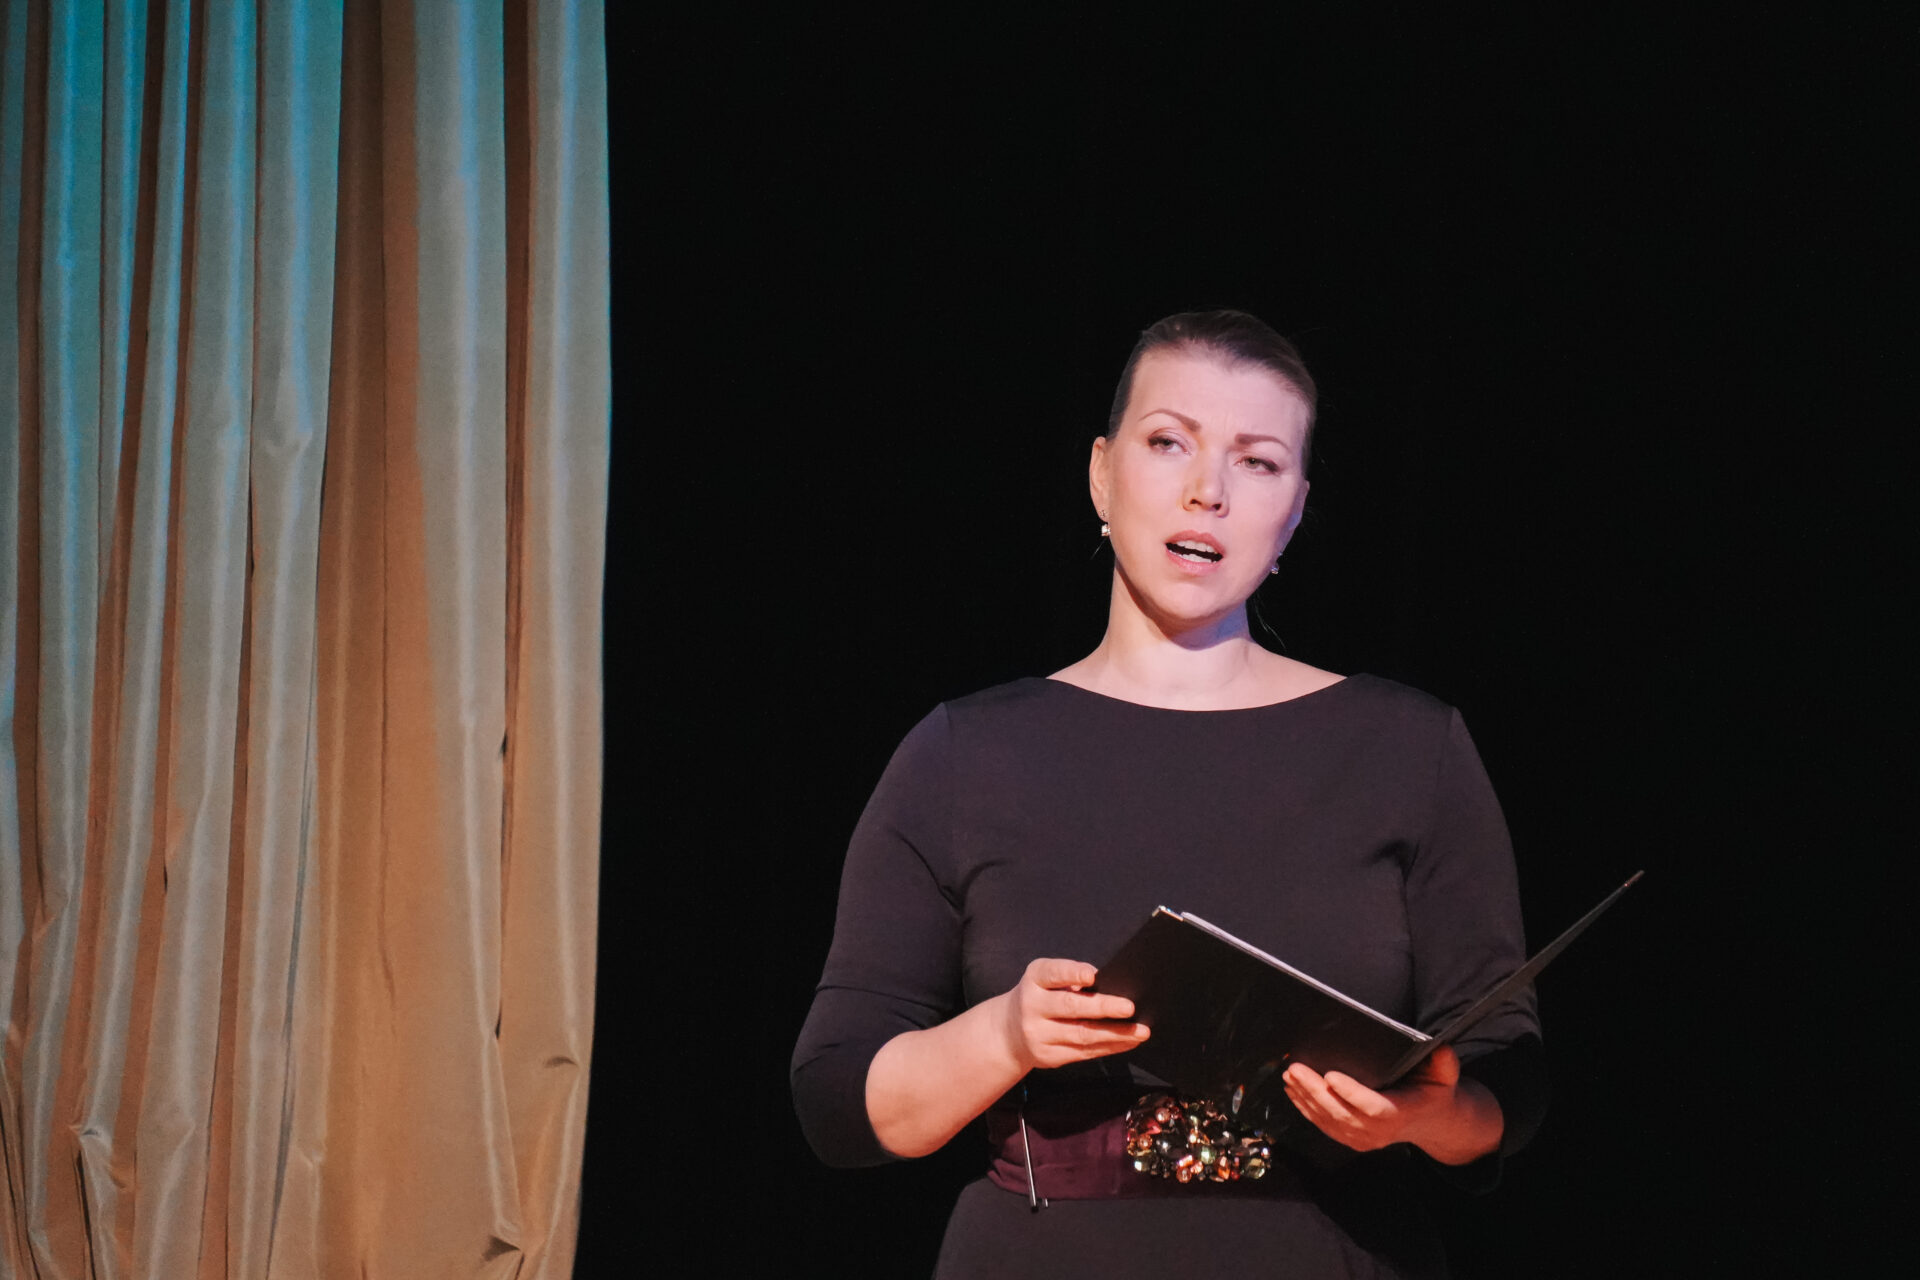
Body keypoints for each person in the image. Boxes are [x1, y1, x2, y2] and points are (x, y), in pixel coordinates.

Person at [791, 311, 1546, 1278]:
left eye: (1258, 461)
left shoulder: (1410, 748)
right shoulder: (965, 754)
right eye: (1168, 443)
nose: (1208, 492)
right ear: (1101, 475)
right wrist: (1006, 1034)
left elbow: (1506, 1077)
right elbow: (836, 1100)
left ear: (1296, 510)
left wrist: (1429, 1118)